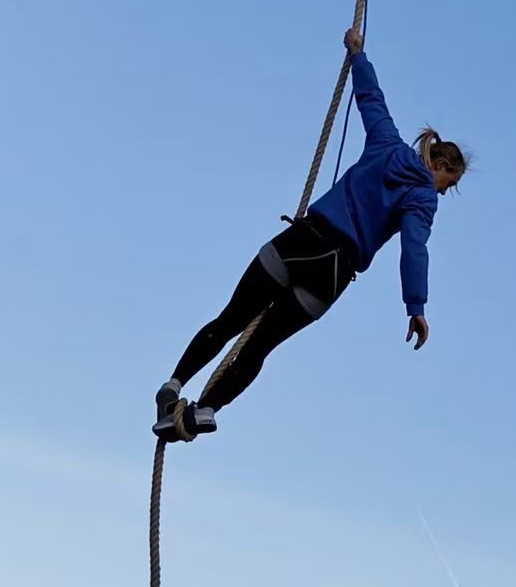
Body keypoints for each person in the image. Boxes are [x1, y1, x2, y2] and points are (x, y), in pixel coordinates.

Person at [152, 27, 468, 440]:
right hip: (333, 272)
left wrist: (357, 54)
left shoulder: (387, 143)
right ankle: (206, 410)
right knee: (259, 345)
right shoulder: (424, 199)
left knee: (232, 317)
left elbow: (371, 99)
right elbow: (414, 250)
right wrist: (416, 307)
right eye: (451, 182)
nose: (446, 189)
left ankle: (173, 385)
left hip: (304, 242)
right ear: (441, 167)